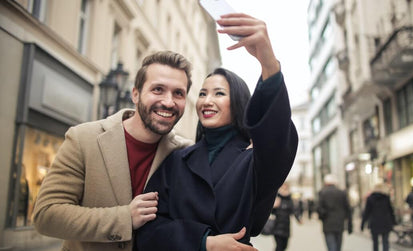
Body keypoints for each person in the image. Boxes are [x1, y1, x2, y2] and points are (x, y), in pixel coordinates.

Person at [135, 13, 298, 251]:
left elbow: (276, 135)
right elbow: (149, 230)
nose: (207, 101)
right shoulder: (177, 160)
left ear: (239, 103)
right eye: (202, 93)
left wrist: (268, 64)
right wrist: (203, 242)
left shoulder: (255, 161)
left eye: (219, 93)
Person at [32, 51, 194, 251]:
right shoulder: (83, 139)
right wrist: (125, 218)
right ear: (135, 94)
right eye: (158, 89)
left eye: (178, 93)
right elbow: (46, 215)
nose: (169, 102)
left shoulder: (185, 152)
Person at [317, 174, 352, 251]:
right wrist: (349, 224)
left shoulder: (322, 193)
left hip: (327, 224)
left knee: (331, 247)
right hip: (339, 223)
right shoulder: (341, 193)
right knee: (338, 246)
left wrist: (322, 216)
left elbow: (319, 208)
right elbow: (348, 209)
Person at [361, 183, 396, 251]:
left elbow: (366, 212)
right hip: (385, 222)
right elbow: (391, 211)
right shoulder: (386, 198)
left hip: (374, 222)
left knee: (375, 242)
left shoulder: (370, 198)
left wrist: (363, 223)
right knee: (385, 242)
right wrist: (394, 222)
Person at [271, 183, 302, 251]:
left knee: (285, 246)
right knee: (279, 246)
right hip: (277, 226)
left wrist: (298, 219)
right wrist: (273, 206)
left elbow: (294, 210)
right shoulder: (277, 197)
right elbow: (270, 212)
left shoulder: (290, 199)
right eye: (282, 188)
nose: (284, 190)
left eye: (285, 188)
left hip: (286, 226)